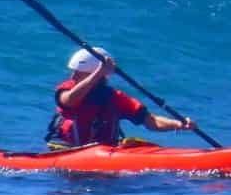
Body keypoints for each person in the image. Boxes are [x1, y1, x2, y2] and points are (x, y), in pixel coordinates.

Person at [46, 48, 197, 148]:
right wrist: (99, 73)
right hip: (67, 151)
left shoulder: (115, 97)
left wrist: (178, 124)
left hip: (104, 154)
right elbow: (69, 101)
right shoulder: (67, 89)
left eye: (78, 72)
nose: (73, 76)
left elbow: (151, 121)